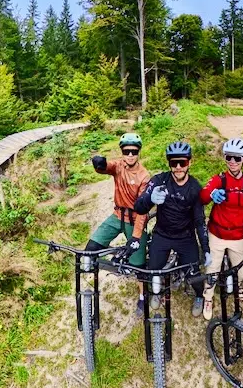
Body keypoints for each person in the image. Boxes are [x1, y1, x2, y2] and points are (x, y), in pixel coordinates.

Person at [133, 141, 211, 316]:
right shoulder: (159, 180)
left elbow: (199, 221)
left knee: (193, 274)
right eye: (173, 163)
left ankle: (200, 295)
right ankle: (156, 291)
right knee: (153, 269)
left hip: (185, 236)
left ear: (189, 163)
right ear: (169, 163)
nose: (177, 167)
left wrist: (205, 248)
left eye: (182, 163)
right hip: (162, 234)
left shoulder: (194, 188)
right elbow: (139, 207)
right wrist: (150, 199)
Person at [86, 132, 151, 315]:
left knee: (139, 267)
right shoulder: (119, 166)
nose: (130, 155)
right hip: (117, 216)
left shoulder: (144, 176)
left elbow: (143, 211)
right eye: (126, 151)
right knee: (90, 249)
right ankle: (118, 260)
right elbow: (106, 167)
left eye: (134, 151)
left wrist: (137, 236)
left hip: (135, 219)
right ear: (122, 151)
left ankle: (142, 296)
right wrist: (98, 164)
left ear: (139, 152)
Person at [199, 137, 243, 320]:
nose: (232, 162)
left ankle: (238, 285)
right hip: (217, 233)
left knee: (241, 272)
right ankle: (208, 298)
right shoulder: (219, 179)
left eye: (237, 158)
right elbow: (202, 197)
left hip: (238, 235)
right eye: (228, 157)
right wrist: (211, 194)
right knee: (211, 270)